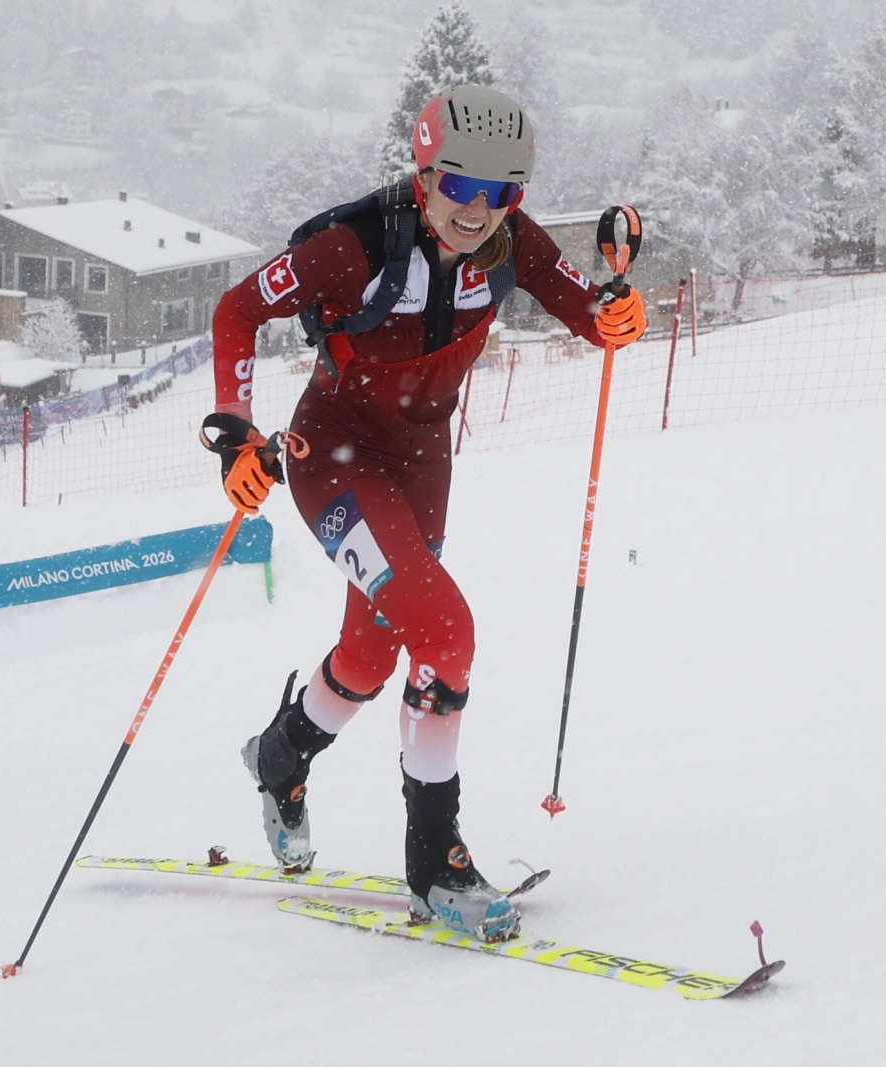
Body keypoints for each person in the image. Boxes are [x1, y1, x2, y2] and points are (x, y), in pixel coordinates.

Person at [204, 85, 647, 943]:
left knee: (371, 656)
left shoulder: (514, 246)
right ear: (424, 170)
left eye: (501, 193)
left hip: (421, 464)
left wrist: (616, 313)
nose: (478, 210)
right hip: (330, 458)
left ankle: (280, 755)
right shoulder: (355, 248)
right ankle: (433, 859)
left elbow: (591, 317)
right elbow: (238, 310)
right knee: (445, 631)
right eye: (460, 187)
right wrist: (234, 433)